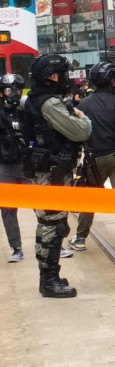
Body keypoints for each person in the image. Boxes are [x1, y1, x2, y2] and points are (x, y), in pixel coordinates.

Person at [26, 54, 92, 297]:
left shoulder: (37, 99)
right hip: (51, 173)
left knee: (54, 224)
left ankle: (50, 276)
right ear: (53, 76)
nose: (66, 78)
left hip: (51, 170)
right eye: (63, 74)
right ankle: (48, 281)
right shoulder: (49, 104)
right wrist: (81, 116)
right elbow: (81, 132)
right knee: (52, 226)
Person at [68, 62, 115, 253]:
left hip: (93, 159)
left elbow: (78, 132)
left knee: (90, 198)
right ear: (112, 80)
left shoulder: (84, 103)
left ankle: (80, 239)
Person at [0, 74, 29, 263]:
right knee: (8, 208)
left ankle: (53, 242)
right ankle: (16, 247)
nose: (13, 94)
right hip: (5, 165)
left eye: (16, 90)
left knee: (42, 203)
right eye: (9, 90)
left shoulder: (27, 110)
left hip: (27, 163)